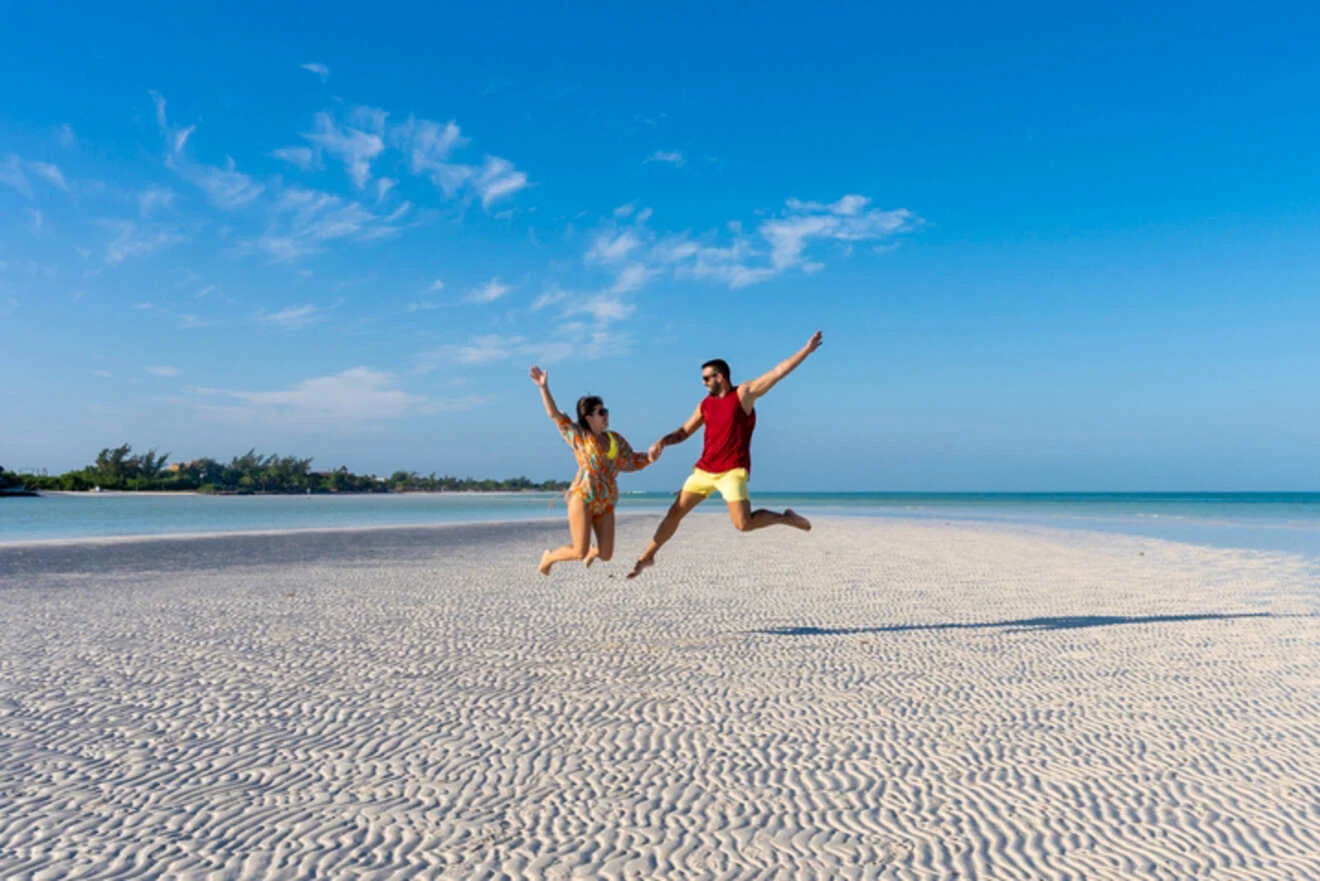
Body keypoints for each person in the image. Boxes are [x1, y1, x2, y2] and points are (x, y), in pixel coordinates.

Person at [627, 331, 823, 579]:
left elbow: (777, 372)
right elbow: (685, 431)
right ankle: (649, 555)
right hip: (704, 470)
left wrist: (805, 351)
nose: (704, 383)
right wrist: (662, 442)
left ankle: (785, 518)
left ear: (720, 377)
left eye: (707, 378)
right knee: (675, 511)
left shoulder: (744, 394)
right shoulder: (705, 405)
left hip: (732, 470)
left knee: (743, 524)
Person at [529, 365, 656, 575]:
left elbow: (632, 461)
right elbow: (554, 415)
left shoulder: (615, 439)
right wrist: (544, 387)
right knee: (579, 551)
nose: (606, 415)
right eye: (601, 412)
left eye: (606, 411)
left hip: (605, 501)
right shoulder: (579, 436)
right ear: (589, 417)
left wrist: (651, 456)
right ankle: (550, 556)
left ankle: (592, 552)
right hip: (583, 496)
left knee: (606, 554)